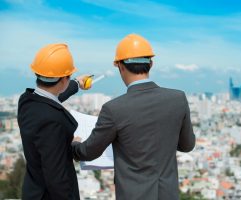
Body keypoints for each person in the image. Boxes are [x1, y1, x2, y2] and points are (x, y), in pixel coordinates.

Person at [72, 34, 195, 200]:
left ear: (120, 66)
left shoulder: (114, 109)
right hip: (168, 194)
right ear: (151, 64)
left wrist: (75, 144)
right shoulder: (178, 98)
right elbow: (187, 145)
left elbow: (88, 152)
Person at [18, 43, 90, 200]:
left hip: (33, 190)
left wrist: (76, 83)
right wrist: (70, 144)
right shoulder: (53, 121)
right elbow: (57, 177)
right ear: (64, 79)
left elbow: (51, 97)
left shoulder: (26, 102)